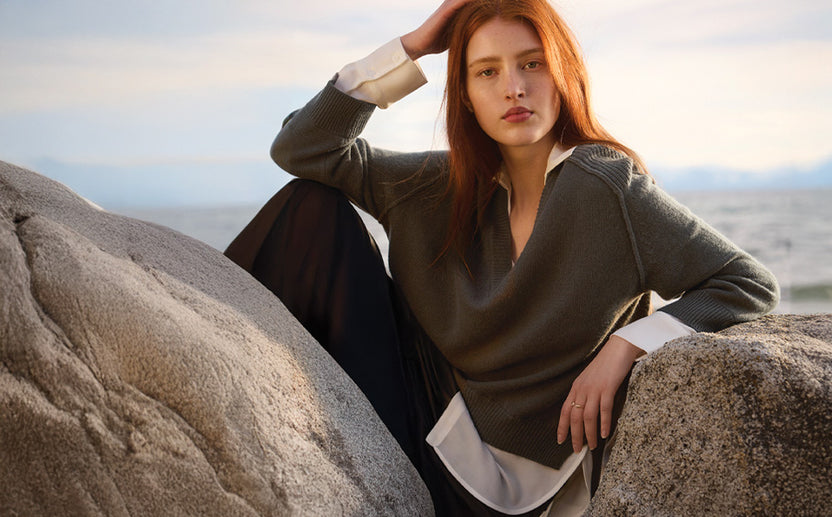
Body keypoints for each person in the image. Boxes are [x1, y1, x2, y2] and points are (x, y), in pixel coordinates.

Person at [225, 0, 780, 515]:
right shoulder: (435, 184)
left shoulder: (604, 186)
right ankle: (224, 385)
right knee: (310, 205)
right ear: (464, 93)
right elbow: (301, 150)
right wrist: (415, 46)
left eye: (531, 64)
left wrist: (627, 344)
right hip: (421, 404)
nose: (513, 87)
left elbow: (745, 282)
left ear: (562, 74)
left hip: (502, 482)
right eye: (486, 71)